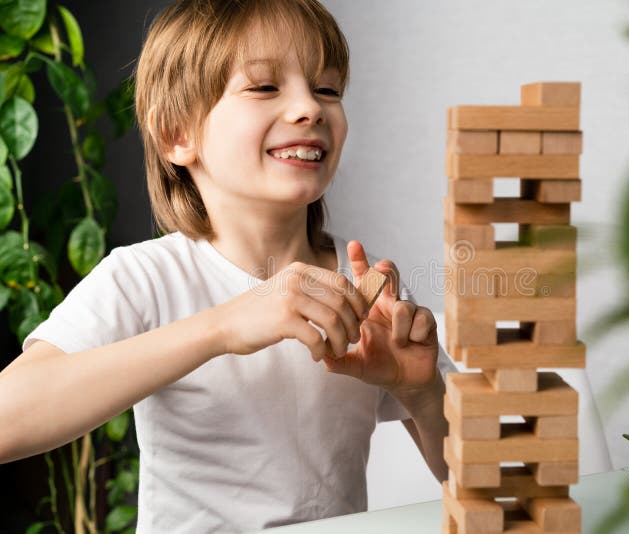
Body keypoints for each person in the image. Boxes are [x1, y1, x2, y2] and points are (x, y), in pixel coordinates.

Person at [0, 0, 456, 531]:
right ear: (176, 134)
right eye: (265, 87)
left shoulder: (369, 289)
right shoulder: (144, 278)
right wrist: (222, 327)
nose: (310, 107)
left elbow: (486, 491)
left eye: (327, 88)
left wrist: (422, 391)